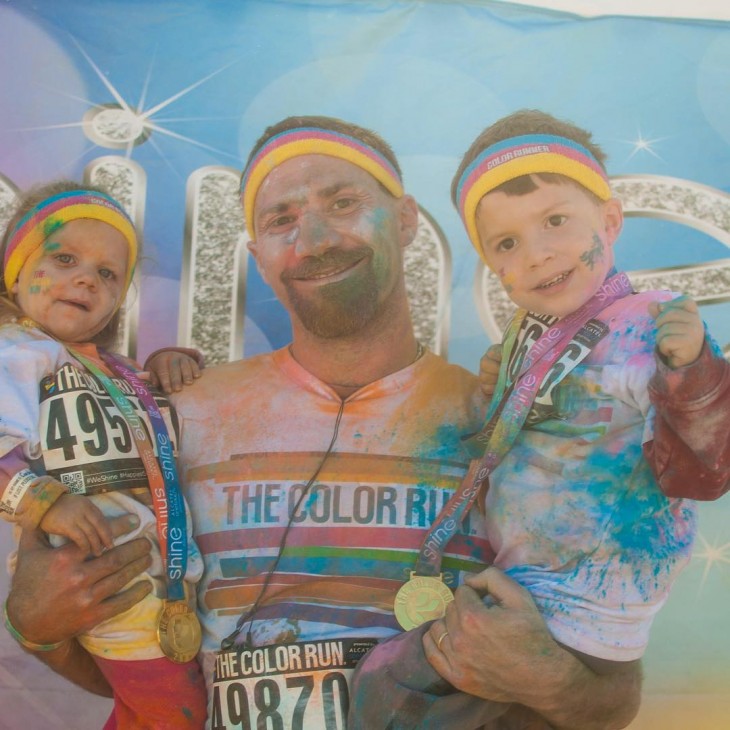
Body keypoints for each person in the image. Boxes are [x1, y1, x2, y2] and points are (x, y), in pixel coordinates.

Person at [6, 117, 658, 730]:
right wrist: (39, 627)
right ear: (257, 255)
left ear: (406, 221)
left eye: (343, 203)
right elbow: (154, 673)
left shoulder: (512, 424)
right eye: (282, 219)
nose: (314, 240)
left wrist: (550, 680)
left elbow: (611, 691)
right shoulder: (173, 418)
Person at [350, 109, 730, 728]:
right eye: (507, 243)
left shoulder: (648, 324)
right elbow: (519, 442)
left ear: (609, 221)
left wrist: (694, 373)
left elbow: (703, 473)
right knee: (399, 689)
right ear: (495, 269)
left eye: (555, 221)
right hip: (526, 583)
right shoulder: (534, 333)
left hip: (590, 599)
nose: (537, 254)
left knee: (391, 688)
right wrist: (498, 392)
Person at [0, 181, 207, 729]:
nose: (86, 277)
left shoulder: (109, 369)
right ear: (16, 271)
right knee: (175, 715)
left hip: (162, 580)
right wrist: (45, 501)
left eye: (107, 273)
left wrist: (164, 366)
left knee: (158, 713)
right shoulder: (14, 351)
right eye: (63, 258)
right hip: (101, 579)